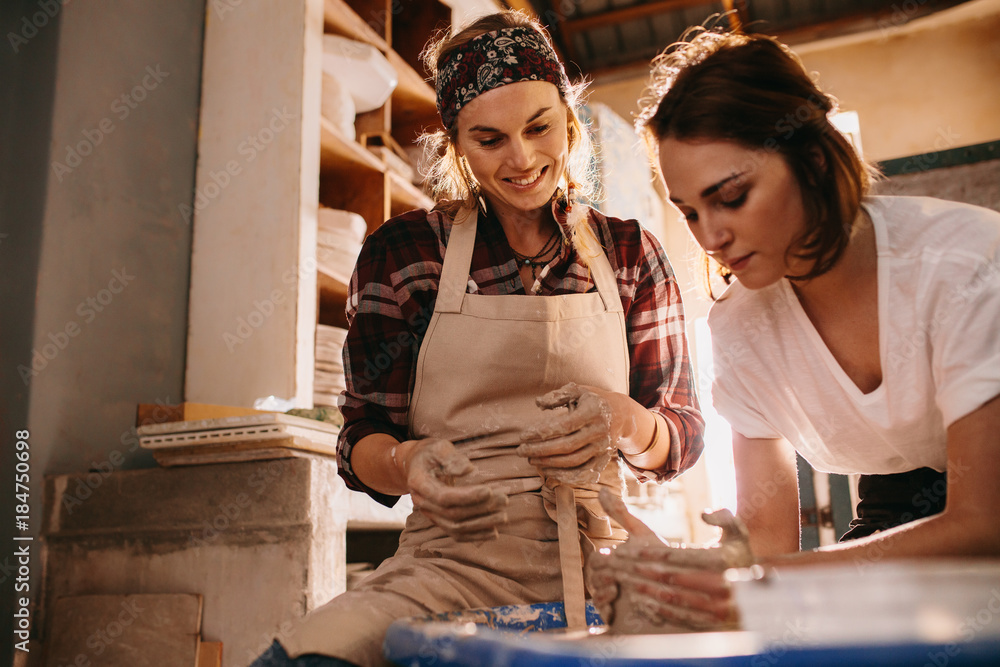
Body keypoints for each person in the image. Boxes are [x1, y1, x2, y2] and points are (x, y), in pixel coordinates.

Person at [250, 10, 704, 665]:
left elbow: (680, 437)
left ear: (568, 120)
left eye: (539, 128)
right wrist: (408, 463)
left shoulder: (631, 251)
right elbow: (361, 439)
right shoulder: (406, 252)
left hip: (609, 557)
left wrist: (628, 421)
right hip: (451, 562)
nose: (521, 159)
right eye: (490, 139)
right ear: (457, 144)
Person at [586, 24, 1000, 632]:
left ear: (809, 157)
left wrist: (757, 582)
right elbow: (766, 547)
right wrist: (680, 576)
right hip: (901, 507)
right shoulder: (740, 332)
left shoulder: (963, 265)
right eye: (691, 212)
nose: (709, 236)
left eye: (732, 196)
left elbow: (983, 524)